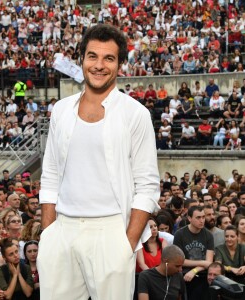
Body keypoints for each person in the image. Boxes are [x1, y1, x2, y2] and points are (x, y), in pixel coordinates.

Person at [37, 24, 160, 300]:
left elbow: (148, 185)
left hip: (112, 232)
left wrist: (127, 243)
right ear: (81, 58)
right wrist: (48, 234)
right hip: (62, 231)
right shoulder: (61, 111)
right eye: (92, 56)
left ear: (119, 65)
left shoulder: (135, 114)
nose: (99, 65)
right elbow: (51, 174)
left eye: (109, 58)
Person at [173, 206, 214, 300]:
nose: (202, 220)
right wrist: (202, 263)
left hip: (202, 274)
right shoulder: (180, 234)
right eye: (198, 217)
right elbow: (179, 260)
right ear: (189, 218)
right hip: (184, 274)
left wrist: (194, 270)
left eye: (203, 217)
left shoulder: (208, 235)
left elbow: (209, 262)